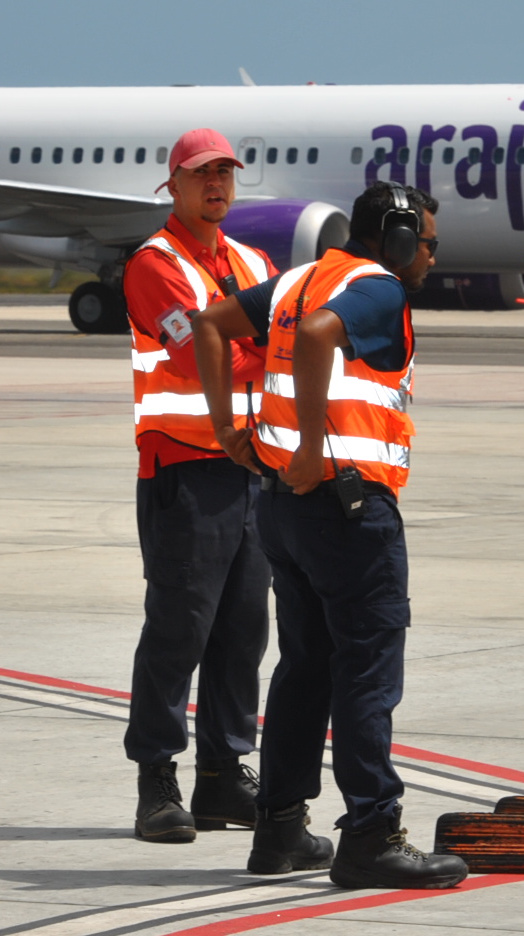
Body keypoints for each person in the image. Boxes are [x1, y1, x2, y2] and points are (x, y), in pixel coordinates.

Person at [193, 182, 469, 890]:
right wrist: (314, 445)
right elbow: (318, 337)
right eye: (428, 243)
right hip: (347, 511)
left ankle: (280, 830)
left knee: (305, 668)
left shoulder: (300, 279)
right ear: (400, 238)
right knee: (366, 671)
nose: (432, 258)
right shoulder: (375, 287)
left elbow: (211, 323)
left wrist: (230, 432)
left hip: (283, 508)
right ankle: (372, 834)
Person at [120, 128, 278, 844]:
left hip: (254, 471)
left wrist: (253, 349)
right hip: (184, 467)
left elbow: (271, 345)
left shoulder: (253, 259)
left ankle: (223, 775)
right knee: (179, 629)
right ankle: (157, 778)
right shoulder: (154, 265)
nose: (216, 184)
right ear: (172, 186)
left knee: (244, 631)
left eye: (225, 172)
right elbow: (196, 354)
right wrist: (260, 348)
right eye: (201, 173)